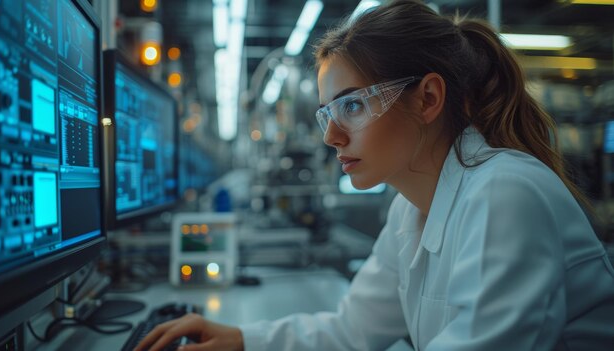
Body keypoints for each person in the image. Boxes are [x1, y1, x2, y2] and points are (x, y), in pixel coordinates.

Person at [135, 0, 614, 350]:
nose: (331, 137)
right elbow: (352, 330)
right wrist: (243, 339)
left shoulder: (505, 192)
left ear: (427, 99)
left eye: (353, 105)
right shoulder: (410, 209)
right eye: (327, 114)